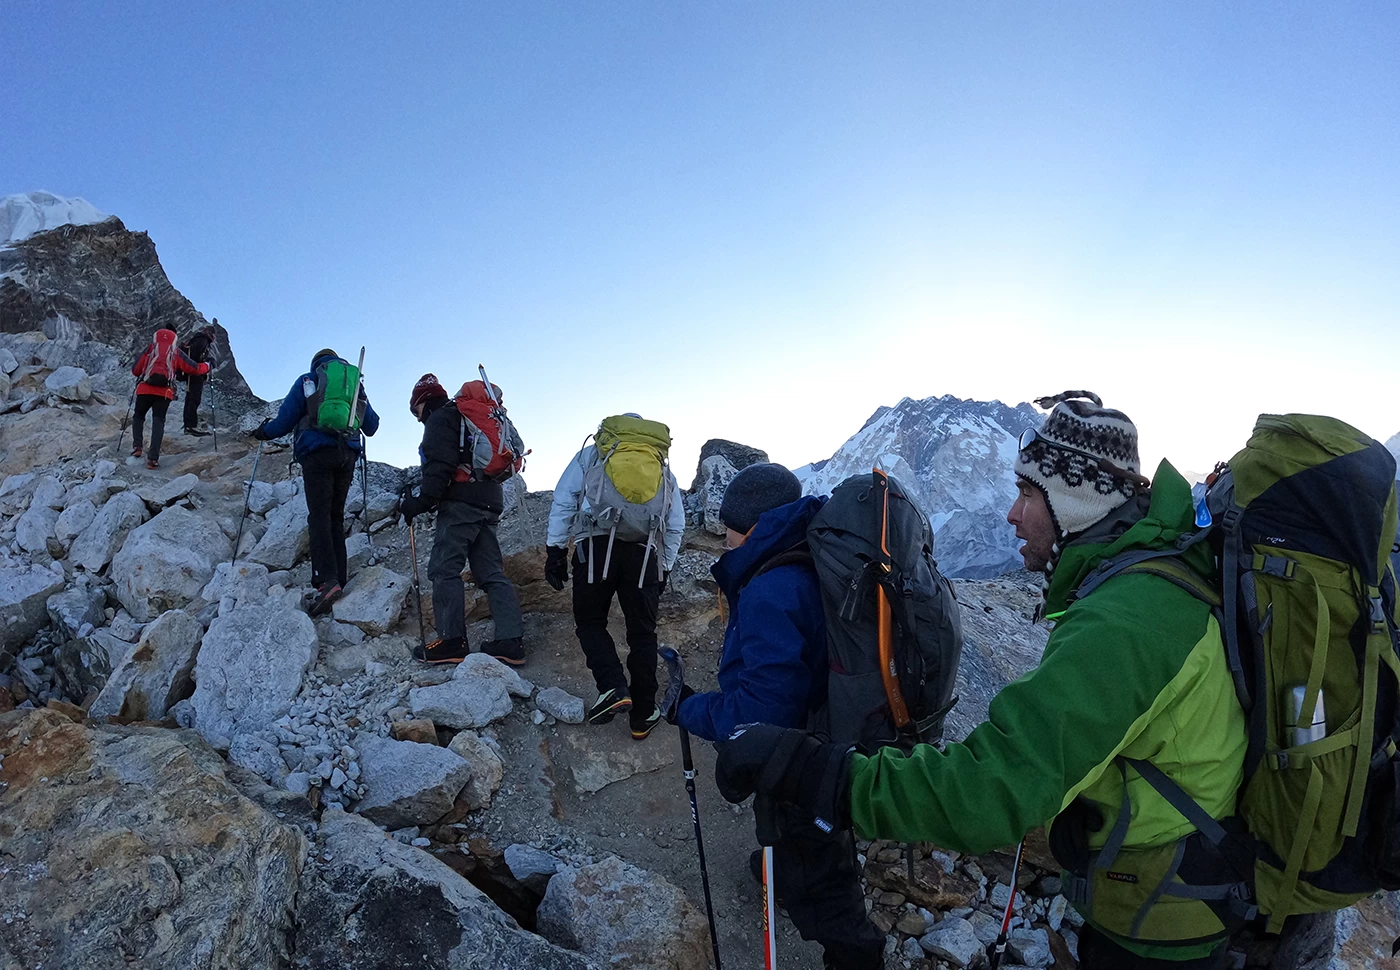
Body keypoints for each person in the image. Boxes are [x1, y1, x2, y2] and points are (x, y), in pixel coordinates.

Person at [715, 392, 1251, 969]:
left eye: (1027, 494)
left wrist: (822, 775)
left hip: (1162, 929)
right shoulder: (1141, 586)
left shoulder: (1129, 621)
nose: (1011, 515)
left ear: (1073, 503)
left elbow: (992, 787)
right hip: (1158, 892)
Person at [666, 462, 885, 970]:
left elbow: (762, 715)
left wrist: (689, 708)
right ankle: (781, 869)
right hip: (836, 728)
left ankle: (856, 955)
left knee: (828, 883)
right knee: (817, 839)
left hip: (805, 754)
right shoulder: (809, 555)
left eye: (728, 532)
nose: (723, 542)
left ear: (753, 527)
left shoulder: (772, 586)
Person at [545, 414, 685, 740]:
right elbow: (674, 522)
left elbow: (565, 498)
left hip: (594, 548)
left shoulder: (594, 452)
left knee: (591, 622)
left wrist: (555, 551)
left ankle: (612, 686)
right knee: (642, 634)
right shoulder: (662, 467)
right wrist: (663, 567)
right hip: (644, 553)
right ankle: (643, 713)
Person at [399, 374, 526, 667]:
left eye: (414, 411)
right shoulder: (468, 416)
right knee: (491, 572)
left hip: (461, 502)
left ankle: (452, 641)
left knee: (444, 569)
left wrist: (419, 503)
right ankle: (511, 641)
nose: (416, 418)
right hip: (491, 499)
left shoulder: (440, 419)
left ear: (422, 403)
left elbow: (440, 466)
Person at [251, 348, 380, 616]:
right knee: (335, 516)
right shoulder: (353, 384)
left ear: (317, 364)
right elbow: (372, 426)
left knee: (318, 516)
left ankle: (325, 581)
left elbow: (284, 421)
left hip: (316, 454)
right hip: (347, 455)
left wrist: (263, 431)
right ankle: (338, 578)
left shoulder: (308, 381)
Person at [130, 327, 209, 470]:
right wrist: (207, 366)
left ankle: (137, 447)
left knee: (138, 416)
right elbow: (194, 368)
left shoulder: (150, 349)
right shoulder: (176, 352)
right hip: (164, 392)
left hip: (144, 389)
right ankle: (152, 459)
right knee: (158, 421)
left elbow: (135, 370)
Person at [179, 322, 218, 435]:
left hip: (191, 373)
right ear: (211, 334)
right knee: (193, 399)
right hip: (195, 374)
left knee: (191, 398)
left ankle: (189, 425)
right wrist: (207, 363)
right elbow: (196, 357)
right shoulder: (203, 340)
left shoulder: (197, 339)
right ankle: (190, 426)